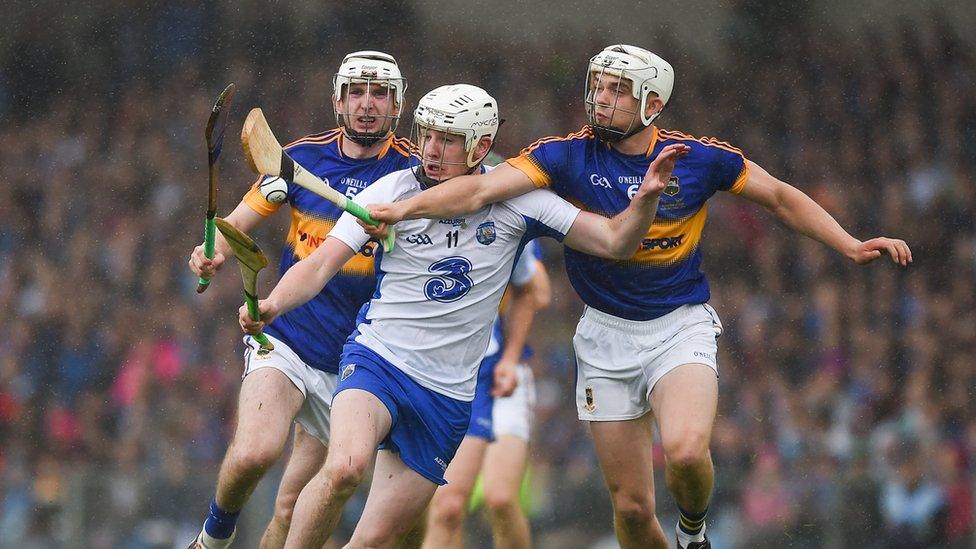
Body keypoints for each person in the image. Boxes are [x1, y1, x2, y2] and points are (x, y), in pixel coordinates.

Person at [365, 44, 913, 549]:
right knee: (629, 510)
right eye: (598, 86)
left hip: (679, 325)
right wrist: (406, 207)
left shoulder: (697, 158)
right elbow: (481, 188)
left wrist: (849, 243)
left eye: (618, 90)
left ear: (652, 101)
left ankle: (693, 531)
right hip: (604, 336)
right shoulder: (562, 156)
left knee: (685, 451)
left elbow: (780, 197)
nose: (601, 99)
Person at [237, 83, 688, 548]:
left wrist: (647, 197)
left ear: (481, 146)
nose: (431, 149)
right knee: (346, 467)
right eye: (428, 135)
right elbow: (319, 265)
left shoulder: (520, 202)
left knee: (371, 542)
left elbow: (615, 242)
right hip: (378, 360)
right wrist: (272, 305)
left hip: (447, 396)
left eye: (448, 140)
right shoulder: (392, 190)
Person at [186, 50, 415, 549]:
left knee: (291, 509)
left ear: (397, 105)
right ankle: (212, 538)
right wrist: (209, 253)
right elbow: (235, 225)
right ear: (338, 100)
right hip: (287, 338)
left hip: (359, 367)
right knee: (254, 454)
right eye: (356, 92)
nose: (367, 104)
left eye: (379, 94)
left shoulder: (414, 175)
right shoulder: (298, 159)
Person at [422, 240, 549, 549]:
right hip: (439, 374)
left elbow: (540, 293)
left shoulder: (508, 218)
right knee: (447, 506)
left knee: (501, 498)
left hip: (501, 373)